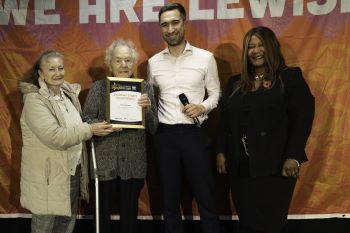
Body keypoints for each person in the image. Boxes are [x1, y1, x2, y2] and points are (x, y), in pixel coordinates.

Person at [216, 26, 315, 233]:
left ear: (271, 47)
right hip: (241, 167)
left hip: (276, 166)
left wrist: (294, 156)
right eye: (250, 46)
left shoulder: (289, 77)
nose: (256, 50)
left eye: (261, 45)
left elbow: (303, 118)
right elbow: (224, 121)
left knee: (271, 224)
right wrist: (221, 151)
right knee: (247, 223)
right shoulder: (235, 83)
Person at [19, 50, 115, 233]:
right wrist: (90, 129)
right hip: (48, 177)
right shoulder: (34, 100)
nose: (57, 73)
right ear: (40, 73)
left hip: (72, 172)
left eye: (60, 68)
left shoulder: (68, 95)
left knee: (66, 224)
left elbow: (77, 126)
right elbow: (56, 137)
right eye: (51, 69)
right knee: (45, 227)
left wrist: (100, 125)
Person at [147, 3, 221, 233]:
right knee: (169, 199)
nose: (170, 29)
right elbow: (151, 97)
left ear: (184, 23)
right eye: (164, 25)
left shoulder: (205, 58)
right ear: (161, 28)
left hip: (195, 134)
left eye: (175, 22)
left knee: (206, 195)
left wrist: (203, 107)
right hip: (164, 136)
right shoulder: (153, 63)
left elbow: (216, 93)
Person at [82, 39, 158, 233]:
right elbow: (85, 121)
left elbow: (154, 128)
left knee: (129, 217)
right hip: (104, 162)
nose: (123, 65)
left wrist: (148, 110)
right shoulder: (98, 89)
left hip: (134, 164)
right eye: (118, 60)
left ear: (133, 62)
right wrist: (101, 126)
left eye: (127, 60)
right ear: (110, 63)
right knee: (102, 215)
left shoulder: (145, 89)